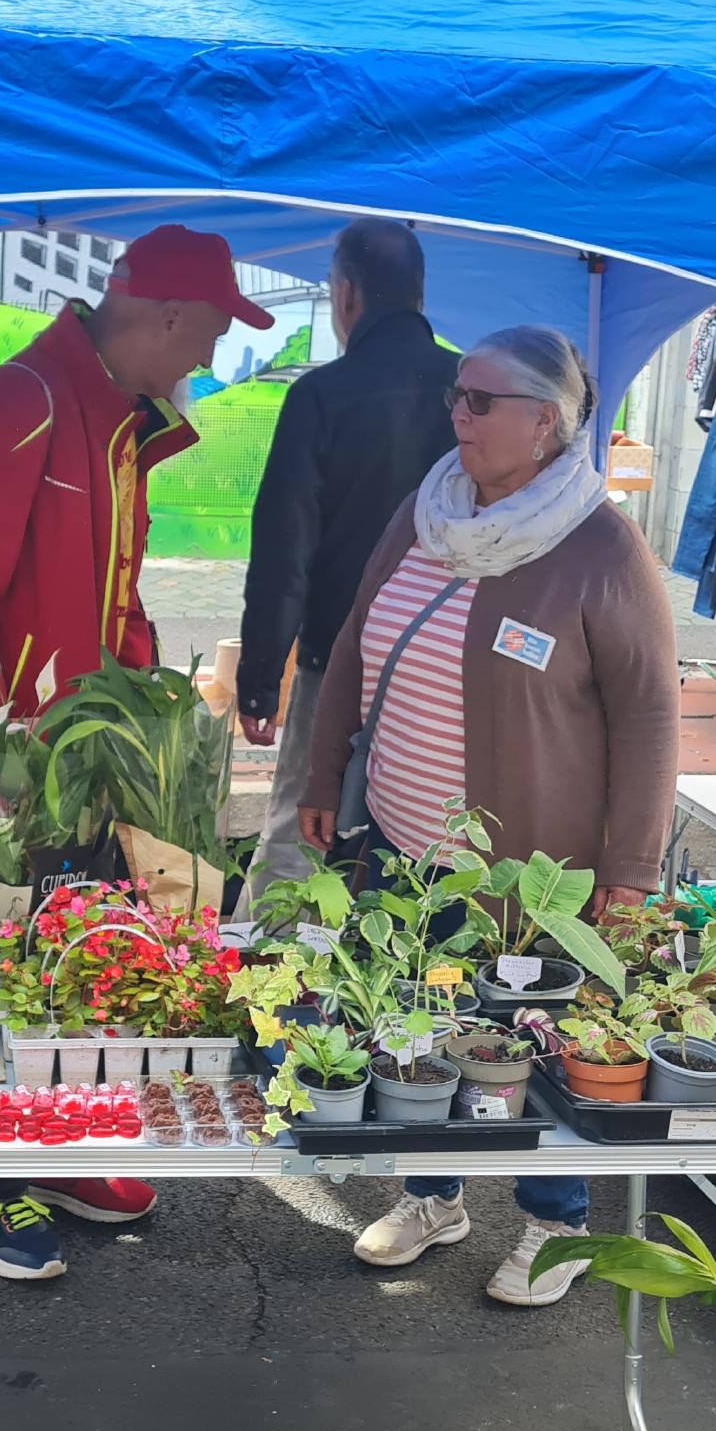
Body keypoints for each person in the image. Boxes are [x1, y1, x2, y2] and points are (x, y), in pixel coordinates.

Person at [0, 224, 274, 1280]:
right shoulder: (20, 402)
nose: (211, 357)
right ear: (169, 316)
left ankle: (56, 1150)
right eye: (212, 333)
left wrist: (144, 726)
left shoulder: (117, 420)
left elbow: (115, 598)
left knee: (68, 970)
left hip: (74, 757)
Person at [301, 324, 677, 1303]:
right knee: (418, 1027)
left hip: (529, 868)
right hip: (401, 843)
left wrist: (631, 870)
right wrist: (319, 779)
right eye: (455, 398)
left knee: (527, 1040)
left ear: (546, 423)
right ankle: (435, 1194)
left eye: (479, 401)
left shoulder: (600, 546)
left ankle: (556, 1222)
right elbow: (355, 639)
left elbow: (649, 716)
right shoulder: (427, 511)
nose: (457, 416)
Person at [235, 220, 456, 913]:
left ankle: (272, 967)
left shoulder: (321, 394)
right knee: (428, 829)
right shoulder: (474, 391)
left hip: (338, 657)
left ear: (346, 293)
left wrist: (259, 683)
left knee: (301, 824)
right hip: (450, 663)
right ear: (421, 294)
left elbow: (284, 550)